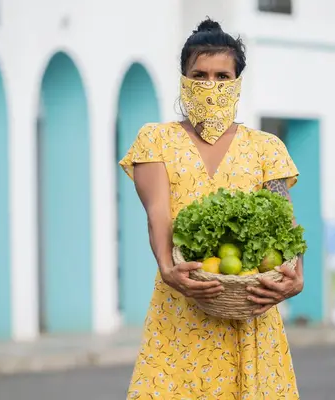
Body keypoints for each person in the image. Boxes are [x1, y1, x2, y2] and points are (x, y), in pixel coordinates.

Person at [118, 17, 304, 399]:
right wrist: (168, 269)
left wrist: (295, 274)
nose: (210, 85)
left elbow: (284, 223)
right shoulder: (156, 141)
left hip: (250, 314)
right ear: (183, 78)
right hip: (182, 306)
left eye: (222, 76)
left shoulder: (266, 147)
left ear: (237, 82)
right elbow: (159, 215)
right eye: (199, 74)